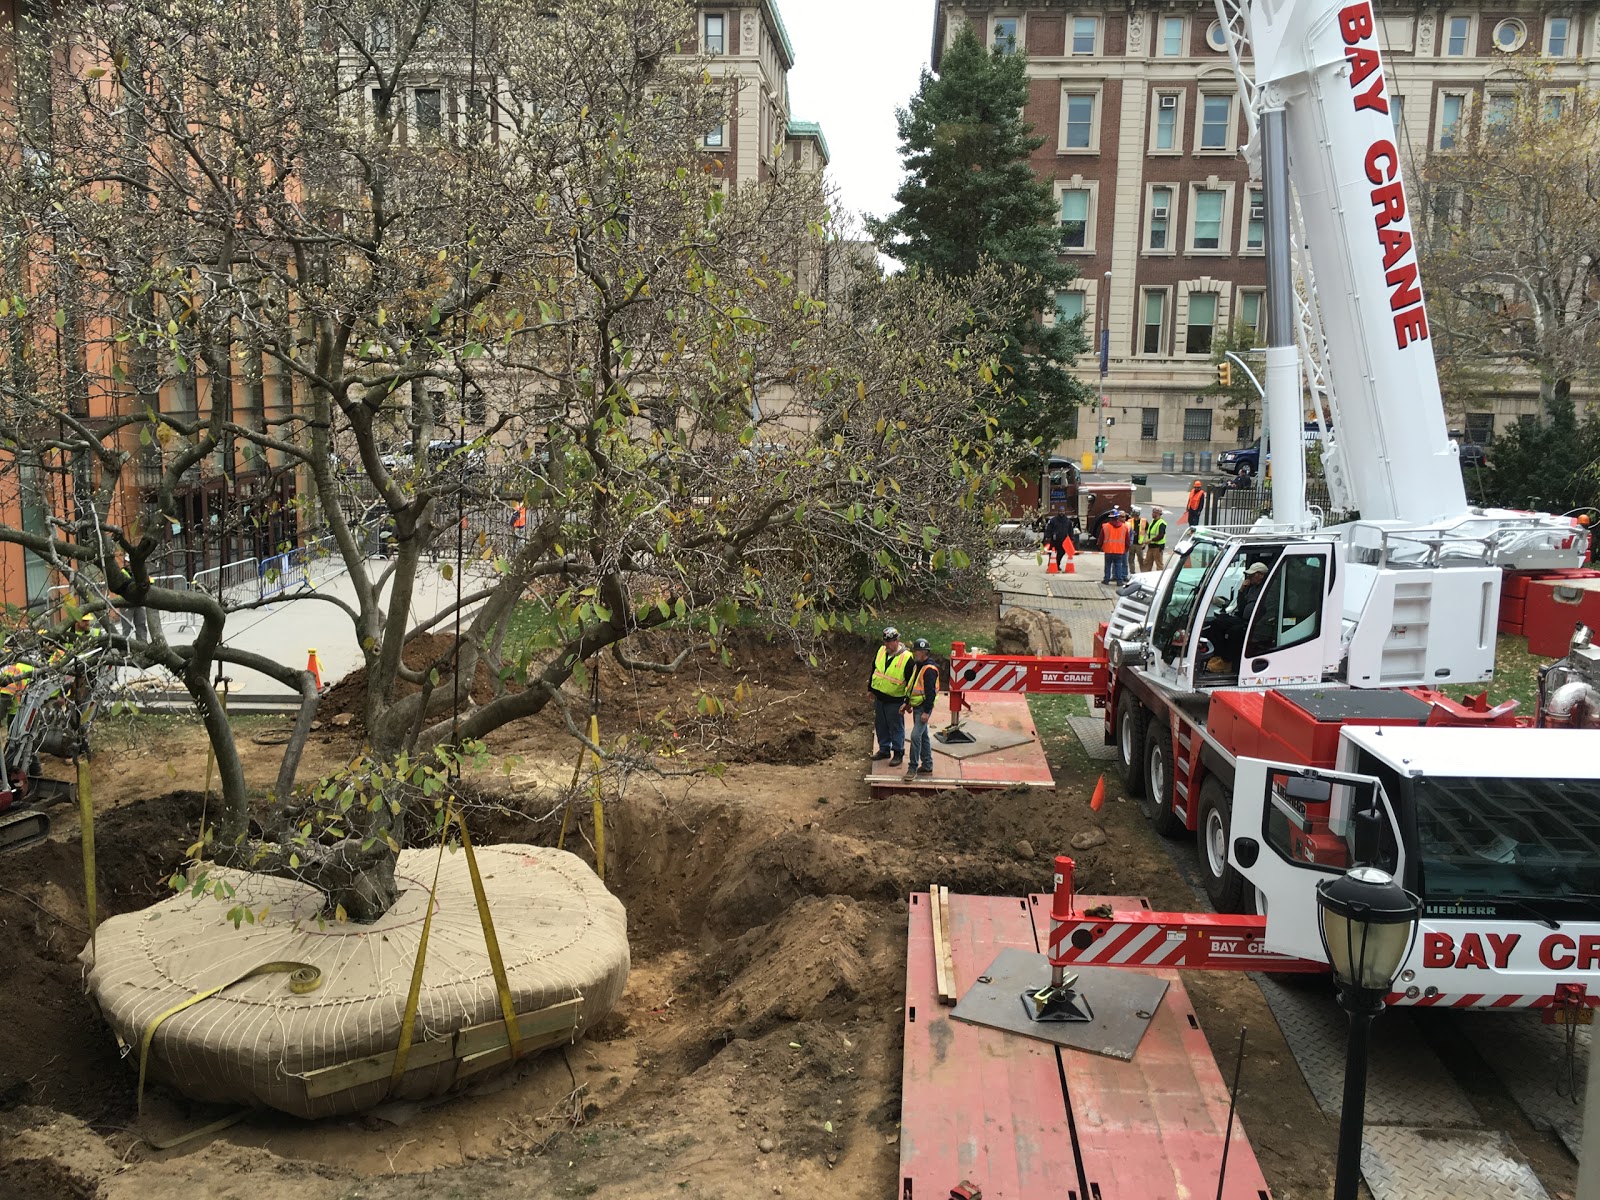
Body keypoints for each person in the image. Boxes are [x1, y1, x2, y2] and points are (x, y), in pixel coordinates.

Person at [868, 626, 914, 766]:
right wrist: (870, 688)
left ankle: (898, 752)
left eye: (889, 642)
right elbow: (874, 669)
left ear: (897, 641)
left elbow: (911, 682)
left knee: (896, 727)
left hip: (895, 699)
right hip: (880, 696)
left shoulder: (907, 658)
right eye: (885, 642)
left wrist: (908, 701)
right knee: (880, 724)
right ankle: (884, 749)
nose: (886, 645)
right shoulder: (882, 651)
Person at [901, 638, 940, 778]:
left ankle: (912, 768)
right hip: (917, 706)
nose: (914, 653)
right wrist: (907, 702)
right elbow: (912, 687)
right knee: (923, 736)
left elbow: (930, 694)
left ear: (924, 652)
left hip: (923, 708)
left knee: (915, 736)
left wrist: (927, 712)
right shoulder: (918, 666)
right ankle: (927, 765)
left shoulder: (929, 670)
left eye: (917, 651)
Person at [1099, 509, 1130, 585]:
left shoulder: (1105, 526)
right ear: (1117, 517)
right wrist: (1126, 548)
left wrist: (1100, 546)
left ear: (1110, 517)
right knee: (1118, 565)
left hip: (1108, 550)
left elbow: (1100, 538)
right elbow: (1127, 540)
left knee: (1108, 566)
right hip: (1119, 551)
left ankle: (1106, 580)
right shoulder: (1124, 527)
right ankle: (1119, 581)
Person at [1143, 506, 1168, 572]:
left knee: (1159, 564)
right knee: (1147, 563)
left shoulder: (1161, 523)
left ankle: (1160, 579)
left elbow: (1161, 535)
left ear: (1158, 514)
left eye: (1154, 512)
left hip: (1158, 547)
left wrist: (1151, 540)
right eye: (1152, 512)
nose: (1152, 514)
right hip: (1151, 546)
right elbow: (1149, 534)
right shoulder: (1153, 522)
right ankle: (1146, 576)